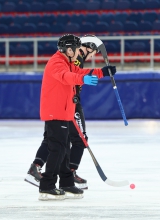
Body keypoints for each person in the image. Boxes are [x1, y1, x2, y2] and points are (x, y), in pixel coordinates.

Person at [32, 34, 116, 200]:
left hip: (65, 111)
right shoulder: (57, 62)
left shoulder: (68, 62)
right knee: (58, 148)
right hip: (55, 112)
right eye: (77, 49)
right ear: (69, 50)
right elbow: (67, 77)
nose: (79, 52)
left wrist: (101, 72)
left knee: (65, 147)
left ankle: (66, 183)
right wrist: (83, 78)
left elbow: (79, 71)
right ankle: (47, 186)